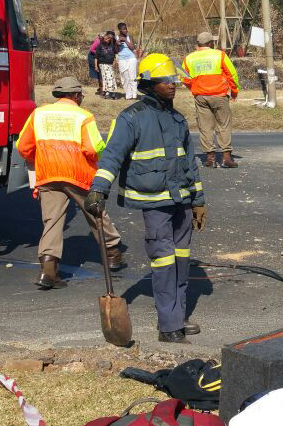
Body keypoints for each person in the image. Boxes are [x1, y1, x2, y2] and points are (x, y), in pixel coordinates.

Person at [86, 54, 206, 343]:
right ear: (150, 84)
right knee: (164, 263)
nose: (172, 85)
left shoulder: (178, 119)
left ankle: (178, 315)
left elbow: (190, 162)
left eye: (174, 80)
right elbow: (112, 155)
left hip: (180, 200)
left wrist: (198, 200)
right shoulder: (131, 118)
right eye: (166, 81)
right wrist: (98, 188)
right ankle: (168, 326)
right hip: (154, 202)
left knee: (180, 260)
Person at [16, 76, 126, 290]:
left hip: (48, 174)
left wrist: (36, 159)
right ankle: (113, 254)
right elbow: (93, 149)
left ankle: (48, 272)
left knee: (52, 222)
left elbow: (23, 146)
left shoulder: (38, 114)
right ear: (76, 95)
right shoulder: (83, 117)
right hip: (78, 175)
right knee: (96, 214)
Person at [182, 31, 240, 169]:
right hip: (219, 95)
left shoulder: (189, 58)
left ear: (198, 44)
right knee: (223, 125)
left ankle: (210, 159)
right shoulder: (220, 55)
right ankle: (226, 158)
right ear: (210, 43)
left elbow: (184, 77)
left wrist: (194, 87)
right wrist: (234, 91)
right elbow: (232, 74)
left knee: (205, 126)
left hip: (200, 97)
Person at [116, 23, 138, 100]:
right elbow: (115, 50)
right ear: (119, 30)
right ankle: (128, 95)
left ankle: (134, 94)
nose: (125, 30)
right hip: (122, 59)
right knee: (125, 78)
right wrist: (117, 44)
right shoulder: (116, 37)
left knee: (132, 76)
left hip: (131, 58)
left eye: (126, 28)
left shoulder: (129, 36)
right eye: (123, 29)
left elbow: (133, 47)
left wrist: (125, 40)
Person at [97, 31, 121, 99]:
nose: (109, 39)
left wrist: (115, 61)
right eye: (108, 37)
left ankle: (110, 92)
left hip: (110, 63)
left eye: (111, 38)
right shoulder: (101, 45)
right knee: (107, 78)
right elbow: (96, 55)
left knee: (111, 77)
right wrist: (97, 65)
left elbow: (116, 53)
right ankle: (108, 93)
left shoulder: (113, 44)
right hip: (103, 63)